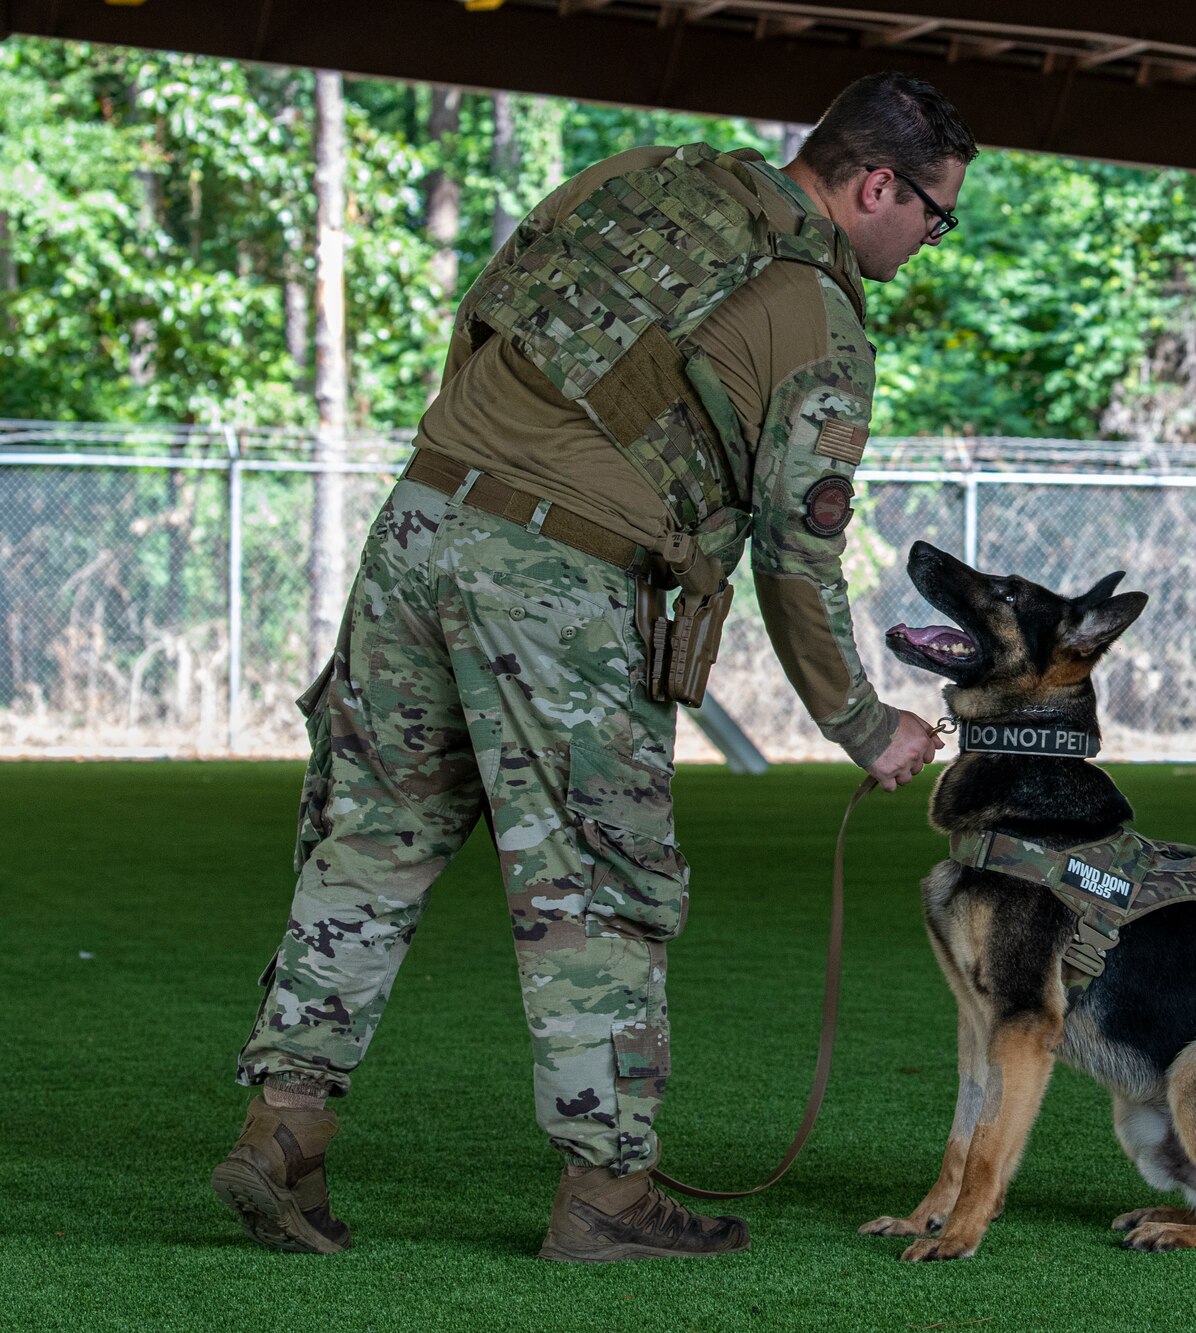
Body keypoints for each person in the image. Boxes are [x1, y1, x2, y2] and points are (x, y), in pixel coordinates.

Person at [210, 72, 977, 1263]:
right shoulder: (816, 314)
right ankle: (605, 1193)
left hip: (420, 519)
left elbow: (490, 310)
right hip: (559, 576)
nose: (932, 242)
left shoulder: (640, 182)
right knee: (595, 882)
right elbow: (796, 548)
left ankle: (284, 1132)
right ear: (877, 184)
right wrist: (865, 724)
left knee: (368, 840)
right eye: (936, 216)